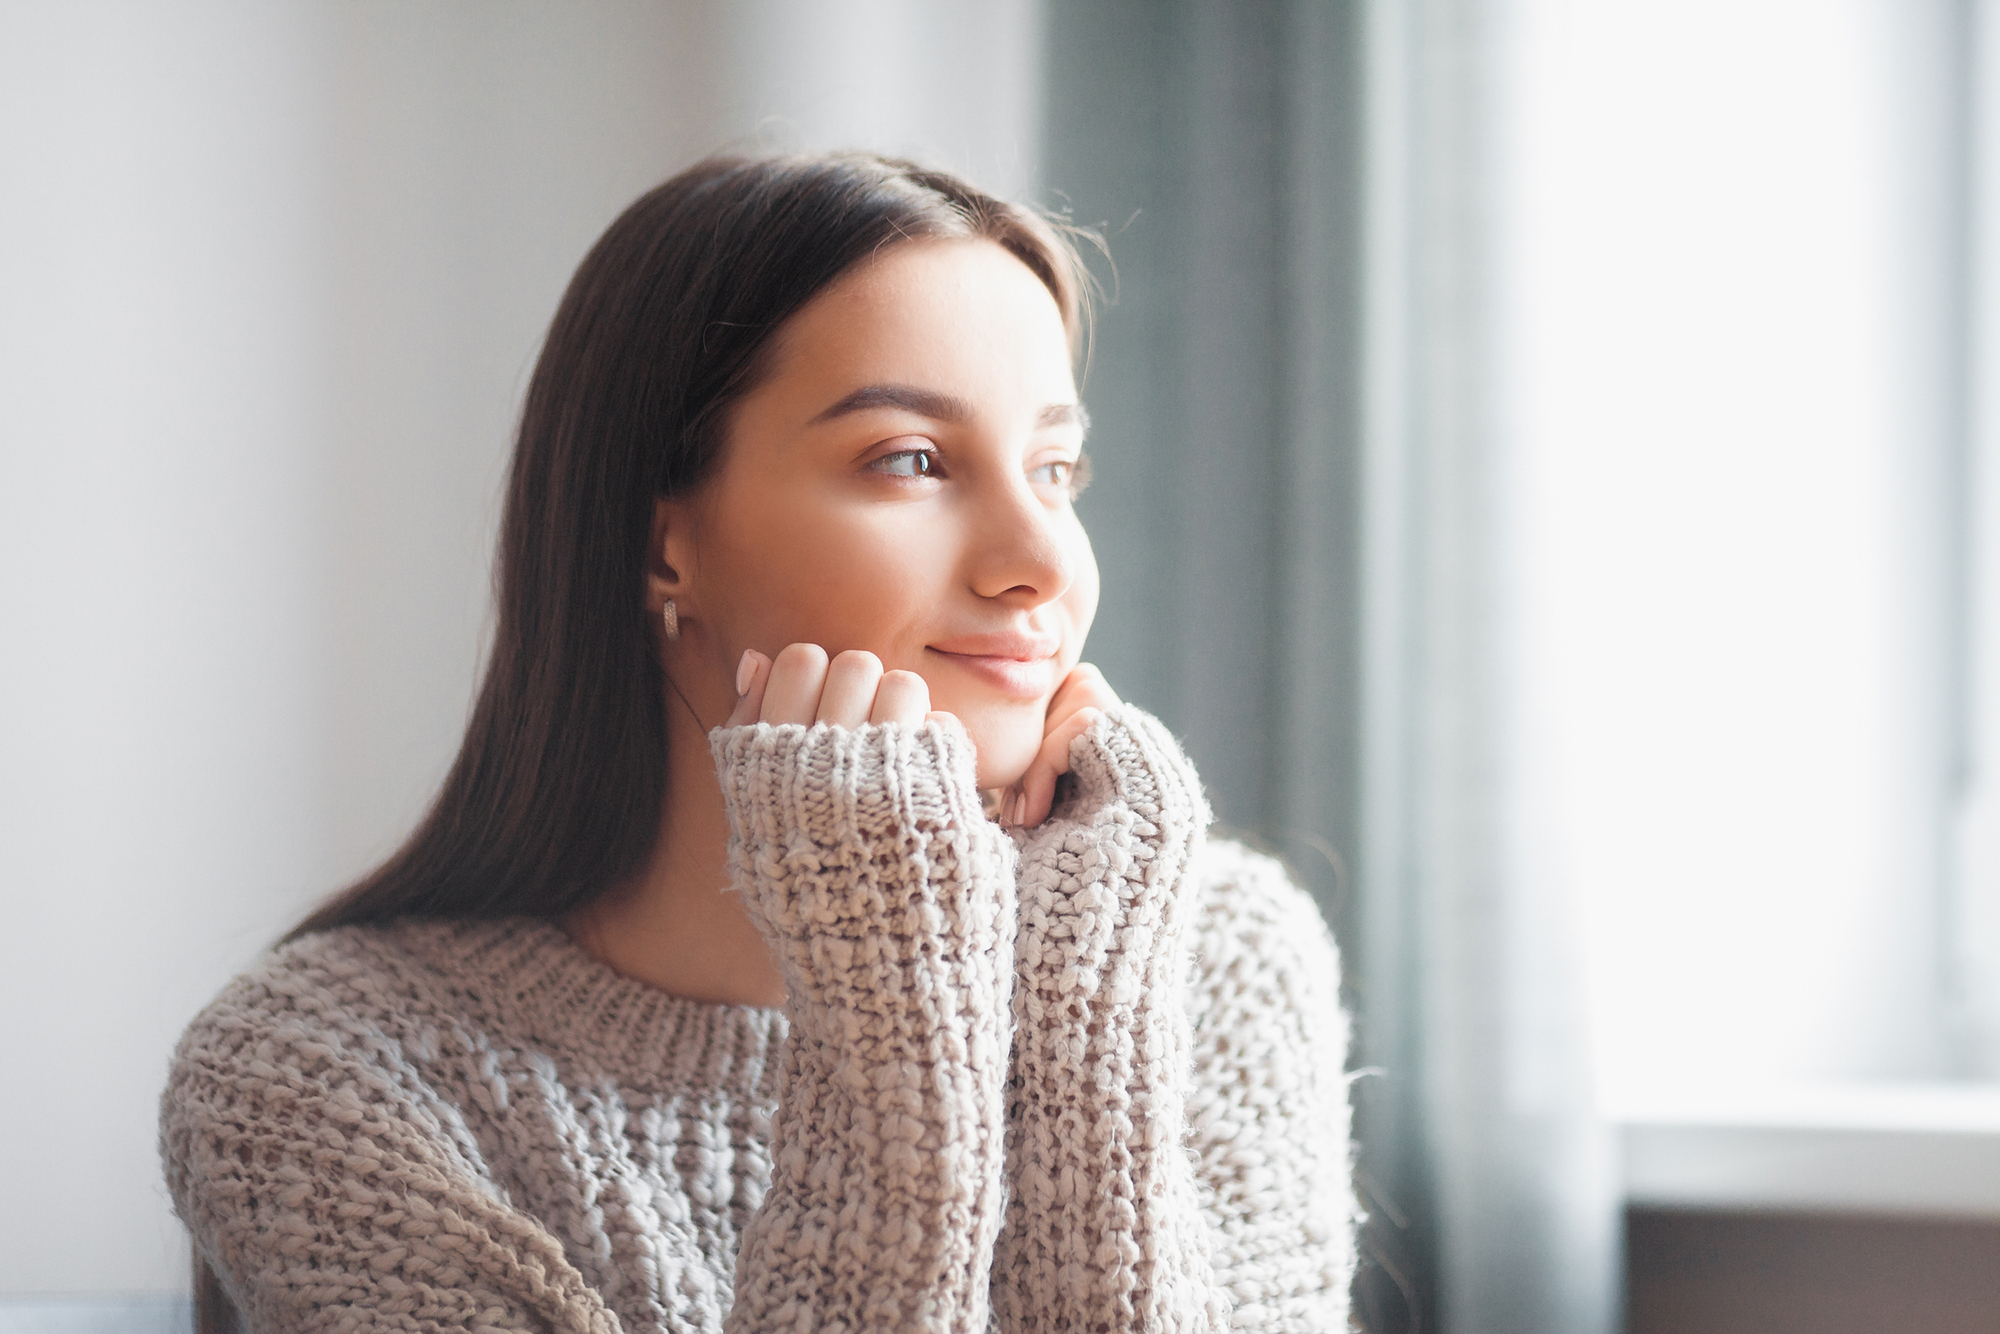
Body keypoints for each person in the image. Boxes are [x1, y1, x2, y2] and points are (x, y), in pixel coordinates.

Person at [159, 152, 1357, 1333]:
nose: (1043, 562)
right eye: (911, 461)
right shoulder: (318, 1076)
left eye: (1056, 467)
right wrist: (890, 1009)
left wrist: (1079, 982)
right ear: (658, 545)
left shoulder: (1215, 955)